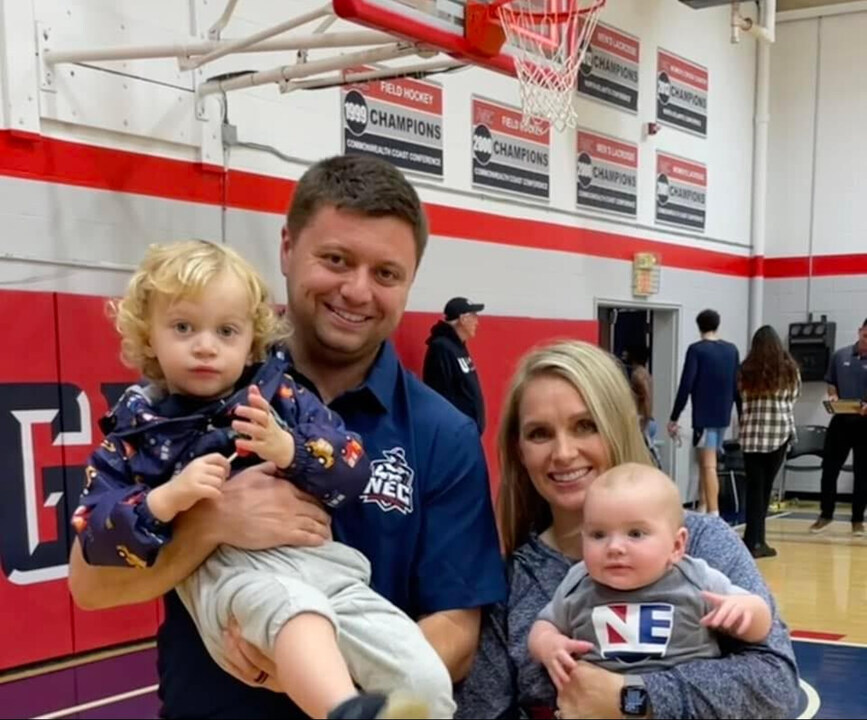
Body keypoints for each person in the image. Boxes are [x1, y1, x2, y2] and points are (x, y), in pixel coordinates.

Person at [68, 155, 507, 720]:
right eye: (335, 259)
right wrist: (211, 523)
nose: (356, 290)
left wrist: (311, 676)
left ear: (410, 282)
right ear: (287, 249)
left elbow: (457, 631)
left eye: (386, 274)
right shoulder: (180, 408)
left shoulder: (444, 433)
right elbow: (92, 585)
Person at [455, 340, 799, 719]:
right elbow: (481, 711)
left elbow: (776, 687)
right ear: (520, 450)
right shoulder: (514, 577)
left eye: (585, 426)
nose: (564, 452)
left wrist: (631, 698)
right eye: (540, 433)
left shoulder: (698, 542)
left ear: (619, 427)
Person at [528, 463, 772, 692]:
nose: (614, 547)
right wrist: (547, 644)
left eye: (635, 533)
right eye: (598, 534)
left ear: (677, 545)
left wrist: (747, 611)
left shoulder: (696, 578)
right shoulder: (578, 581)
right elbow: (545, 624)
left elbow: (761, 625)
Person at [668, 309, 742, 516]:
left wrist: (674, 416)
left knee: (709, 465)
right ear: (717, 325)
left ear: (698, 326)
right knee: (705, 463)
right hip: (723, 417)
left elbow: (686, 385)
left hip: (704, 418)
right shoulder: (731, 350)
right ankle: (702, 505)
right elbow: (737, 386)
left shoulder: (697, 350)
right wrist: (742, 415)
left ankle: (713, 512)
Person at [738, 326, 801, 558]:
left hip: (751, 435)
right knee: (766, 489)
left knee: (754, 488)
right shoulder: (789, 370)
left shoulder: (746, 370)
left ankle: (752, 538)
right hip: (778, 434)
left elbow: (740, 396)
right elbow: (794, 397)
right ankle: (758, 540)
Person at [810, 318, 867, 536]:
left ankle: (857, 520)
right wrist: (832, 396)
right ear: (860, 331)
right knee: (829, 469)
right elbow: (831, 382)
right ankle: (825, 515)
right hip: (841, 420)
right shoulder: (840, 355)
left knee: (863, 473)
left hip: (865, 424)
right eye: (865, 335)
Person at [422, 297, 486, 434]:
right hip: (454, 433)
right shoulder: (441, 348)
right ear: (463, 319)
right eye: (474, 317)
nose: (477, 323)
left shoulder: (458, 347)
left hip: (467, 431)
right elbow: (440, 395)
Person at [626, 344, 660, 468]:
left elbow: (645, 397)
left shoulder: (637, 375)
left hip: (642, 420)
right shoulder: (646, 374)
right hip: (648, 420)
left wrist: (644, 418)